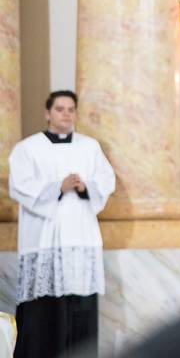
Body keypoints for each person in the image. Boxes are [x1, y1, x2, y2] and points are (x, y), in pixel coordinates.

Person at [9, 90, 115, 358]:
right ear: (47, 113)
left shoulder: (89, 146)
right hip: (44, 238)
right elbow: (19, 186)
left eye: (71, 109)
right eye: (60, 109)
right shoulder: (27, 148)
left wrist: (84, 187)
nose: (66, 114)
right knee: (44, 313)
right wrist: (58, 186)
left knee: (80, 307)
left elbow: (105, 181)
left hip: (80, 236)